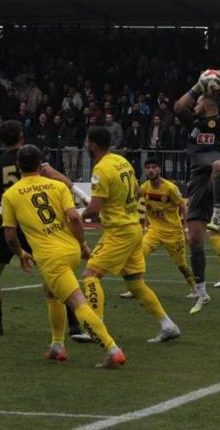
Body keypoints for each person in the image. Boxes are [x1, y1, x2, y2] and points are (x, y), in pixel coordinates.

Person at [2, 145, 126, 368]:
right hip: (70, 250)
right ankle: (57, 345)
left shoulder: (10, 195)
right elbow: (75, 218)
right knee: (50, 293)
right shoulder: (58, 186)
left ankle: (112, 349)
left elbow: (10, 235)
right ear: (41, 164)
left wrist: (20, 253)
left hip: (50, 257)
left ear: (18, 166)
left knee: (78, 303)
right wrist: (82, 245)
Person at [0, 120, 90, 341]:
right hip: (36, 226)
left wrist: (1, 218)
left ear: (1, 139)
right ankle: (75, 325)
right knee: (55, 275)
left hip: (11, 226)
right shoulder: (34, 157)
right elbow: (58, 178)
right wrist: (81, 194)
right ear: (21, 135)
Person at [81, 127, 181, 343]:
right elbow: (136, 192)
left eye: (87, 142)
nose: (86, 145)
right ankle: (168, 325)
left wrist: (78, 215)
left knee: (90, 275)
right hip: (134, 228)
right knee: (135, 283)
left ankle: (95, 327)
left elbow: (93, 210)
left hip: (118, 232)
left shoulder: (100, 169)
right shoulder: (121, 161)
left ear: (93, 144)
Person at [174, 72, 220, 314]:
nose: (194, 105)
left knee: (218, 165)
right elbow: (178, 107)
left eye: (198, 101)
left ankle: (217, 214)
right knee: (195, 241)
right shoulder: (193, 123)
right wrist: (197, 86)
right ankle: (202, 291)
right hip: (196, 185)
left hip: (217, 180)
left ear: (207, 104)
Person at [119, 158, 198, 309]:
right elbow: (134, 197)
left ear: (159, 169)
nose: (151, 170)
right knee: (138, 255)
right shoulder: (145, 187)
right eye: (148, 167)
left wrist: (186, 229)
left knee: (181, 264)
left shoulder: (170, 188)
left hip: (173, 233)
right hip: (154, 231)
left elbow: (183, 207)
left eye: (154, 167)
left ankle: (195, 287)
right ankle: (134, 288)